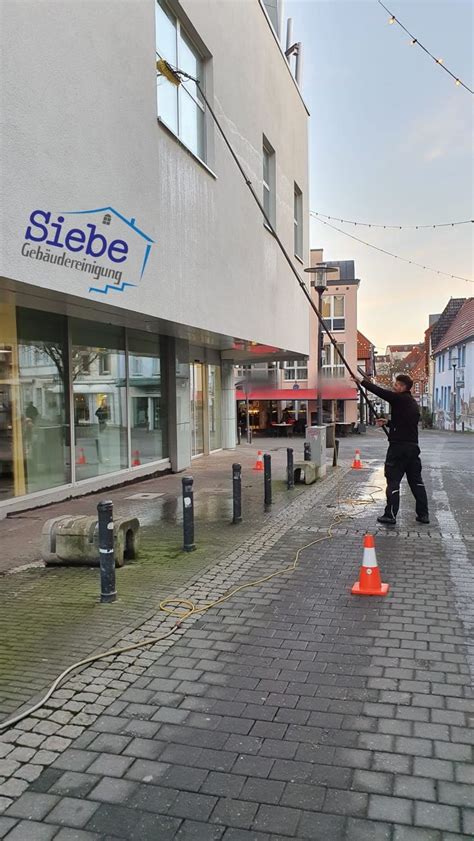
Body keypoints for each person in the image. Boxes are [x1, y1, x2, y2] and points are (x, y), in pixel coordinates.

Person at [353, 372, 429, 526]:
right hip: (413, 448)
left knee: (393, 481)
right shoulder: (413, 404)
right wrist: (388, 422)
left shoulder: (399, 398)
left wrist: (361, 381)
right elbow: (404, 423)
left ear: (402, 387)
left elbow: (380, 392)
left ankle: (390, 515)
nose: (394, 387)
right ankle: (423, 514)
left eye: (396, 385)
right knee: (416, 482)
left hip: (398, 449)